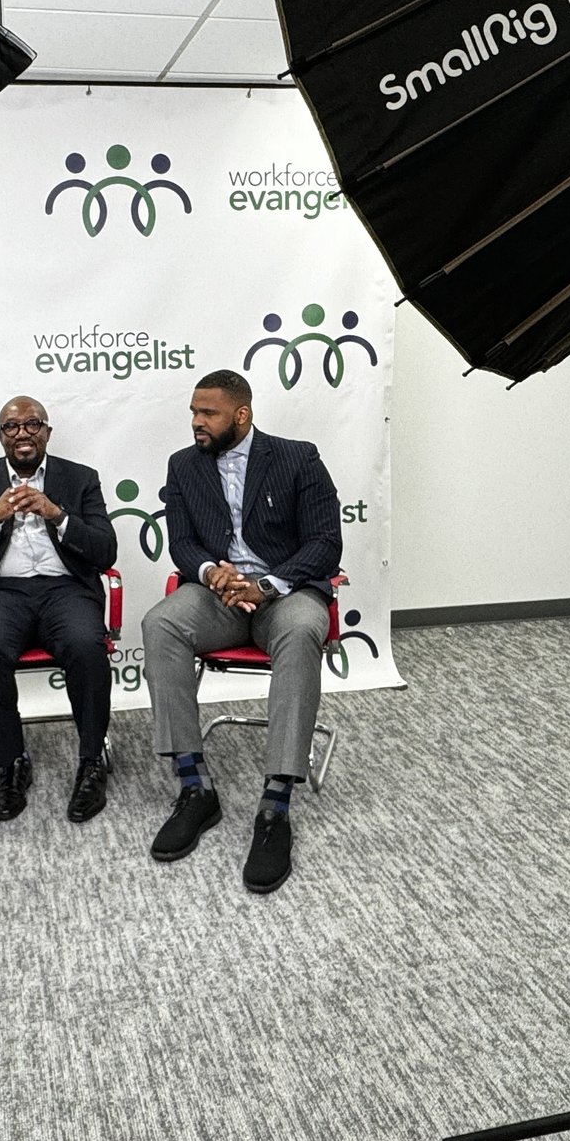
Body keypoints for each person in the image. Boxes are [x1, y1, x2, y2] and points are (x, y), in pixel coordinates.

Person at [141, 370, 342, 895]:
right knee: (160, 623)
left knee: (302, 631)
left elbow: (325, 543)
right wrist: (212, 572)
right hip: (219, 597)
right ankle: (195, 787)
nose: (197, 422)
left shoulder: (298, 458)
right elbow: (182, 543)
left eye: (208, 413)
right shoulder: (183, 465)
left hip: (285, 592)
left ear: (242, 415)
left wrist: (266, 585)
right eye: (193, 412)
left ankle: (275, 806)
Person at [0, 396, 120, 823]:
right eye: (12, 426)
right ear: (1, 436)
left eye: (33, 424)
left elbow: (105, 550)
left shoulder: (80, 478)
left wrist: (56, 514)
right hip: (0, 593)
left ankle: (91, 762)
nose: (22, 433)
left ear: (47, 432)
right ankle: (12, 763)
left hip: (66, 590)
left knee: (86, 644)